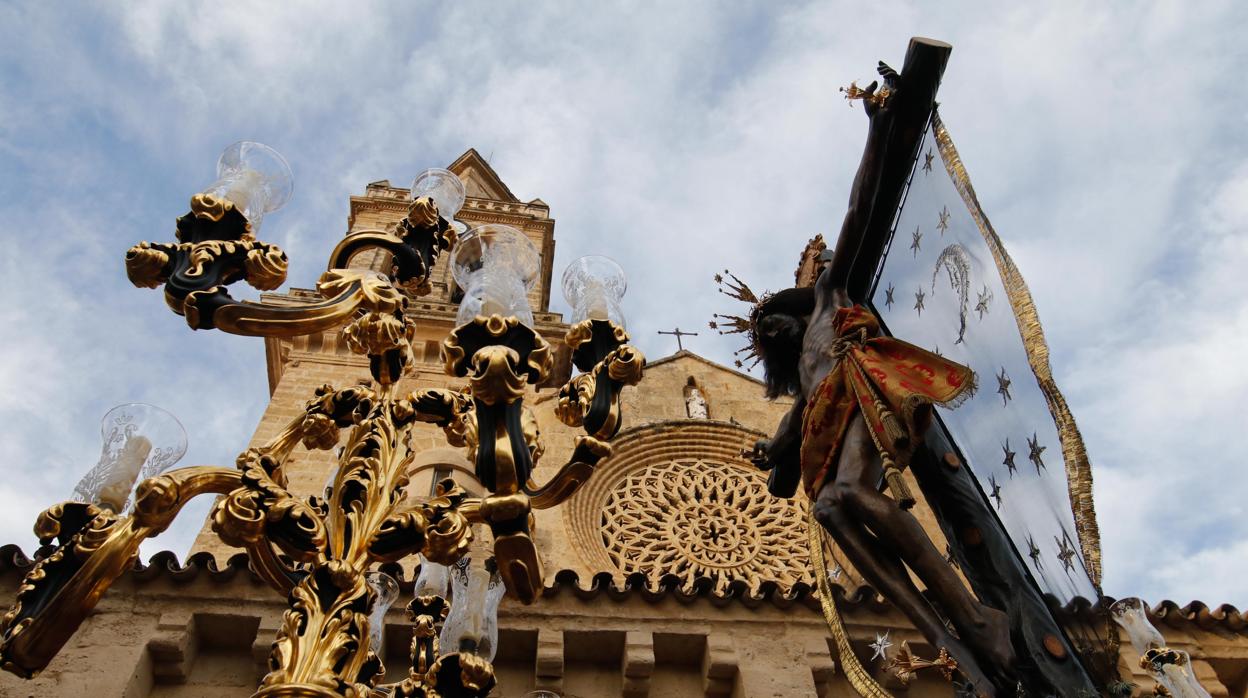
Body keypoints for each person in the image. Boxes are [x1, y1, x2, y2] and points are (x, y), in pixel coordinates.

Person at [748, 65, 1015, 694]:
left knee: (856, 495)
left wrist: (878, 129)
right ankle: (942, 621)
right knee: (833, 505)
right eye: (761, 334)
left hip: (866, 391)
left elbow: (860, 208)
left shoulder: (829, 300)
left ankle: (978, 612)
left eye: (771, 318)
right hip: (830, 419)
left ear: (794, 309)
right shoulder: (805, 393)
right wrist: (770, 452)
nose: (768, 329)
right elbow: (787, 466)